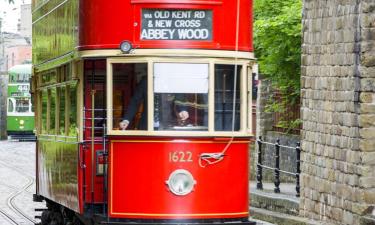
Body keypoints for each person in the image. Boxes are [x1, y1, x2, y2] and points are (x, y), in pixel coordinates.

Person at [119, 77, 189, 130]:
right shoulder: (146, 81)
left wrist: (183, 110)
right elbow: (135, 102)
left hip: (168, 126)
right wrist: (126, 120)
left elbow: (180, 98)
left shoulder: (173, 82)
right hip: (146, 127)